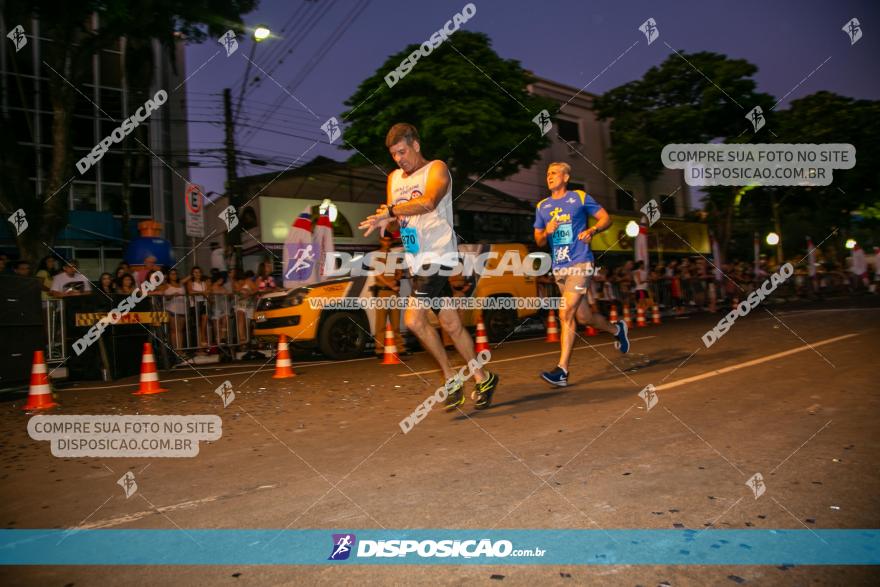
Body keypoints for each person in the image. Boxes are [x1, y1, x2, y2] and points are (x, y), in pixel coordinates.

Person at [359, 122, 499, 410]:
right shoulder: (393, 179)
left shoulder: (436, 169)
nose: (398, 159)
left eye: (402, 151)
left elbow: (429, 202)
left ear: (416, 145)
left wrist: (391, 211)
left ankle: (451, 379)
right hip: (415, 259)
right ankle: (483, 377)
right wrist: (386, 221)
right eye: (394, 155)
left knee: (413, 320)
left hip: (439, 255)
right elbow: (399, 218)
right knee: (451, 324)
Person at [533, 162, 629, 387]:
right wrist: (546, 232)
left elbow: (606, 218)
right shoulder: (542, 206)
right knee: (583, 317)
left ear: (566, 177)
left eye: (554, 173)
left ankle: (562, 371)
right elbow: (538, 239)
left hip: (581, 262)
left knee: (565, 311)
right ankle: (617, 329)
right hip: (559, 267)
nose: (550, 177)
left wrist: (592, 230)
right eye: (548, 174)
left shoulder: (579, 198)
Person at [372, 235, 407, 357]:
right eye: (384, 240)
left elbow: (399, 272)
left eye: (388, 240)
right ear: (380, 240)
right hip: (382, 292)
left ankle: (400, 348)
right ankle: (379, 349)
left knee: (396, 323)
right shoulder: (377, 255)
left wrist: (396, 281)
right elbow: (377, 274)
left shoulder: (394, 257)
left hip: (393, 293)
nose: (387, 242)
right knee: (380, 323)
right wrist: (390, 284)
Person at [161, 268, 187, 349]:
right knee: (174, 331)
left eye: (175, 274)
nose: (174, 275)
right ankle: (176, 350)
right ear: (168, 276)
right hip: (171, 309)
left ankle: (180, 349)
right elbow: (163, 296)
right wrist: (172, 295)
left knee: (180, 331)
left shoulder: (181, 284)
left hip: (182, 309)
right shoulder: (166, 285)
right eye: (172, 274)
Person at [187, 266, 210, 349]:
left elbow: (208, 292)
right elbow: (190, 291)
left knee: (204, 321)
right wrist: (202, 293)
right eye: (195, 272)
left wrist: (201, 293)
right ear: (192, 274)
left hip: (203, 303)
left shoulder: (204, 283)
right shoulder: (191, 282)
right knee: (198, 325)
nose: (197, 274)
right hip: (194, 304)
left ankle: (203, 340)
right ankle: (200, 343)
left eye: (199, 272)